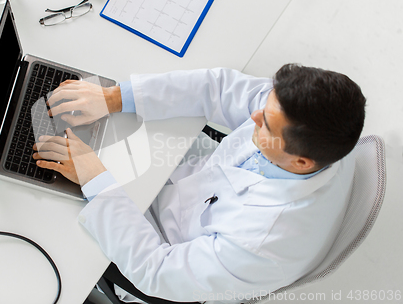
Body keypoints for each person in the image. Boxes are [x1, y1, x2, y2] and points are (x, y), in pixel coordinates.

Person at [32, 64, 366, 303]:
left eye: (265, 124)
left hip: (154, 245)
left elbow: (156, 271)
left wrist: (95, 179)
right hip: (178, 179)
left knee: (35, 210)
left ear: (302, 163)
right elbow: (218, 89)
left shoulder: (263, 244)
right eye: (265, 105)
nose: (254, 115)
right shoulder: (320, 124)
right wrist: (113, 98)